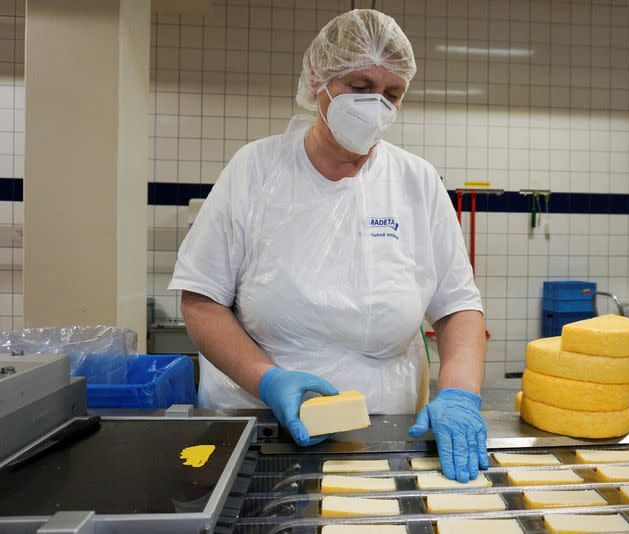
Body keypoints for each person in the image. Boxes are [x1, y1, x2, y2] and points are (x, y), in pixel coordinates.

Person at [169, 9, 487, 482]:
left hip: (384, 436)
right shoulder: (255, 171)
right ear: (318, 79)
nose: (376, 105)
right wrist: (268, 379)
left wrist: (459, 392)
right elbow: (200, 300)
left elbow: (459, 306)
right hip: (261, 430)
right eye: (360, 87)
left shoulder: (415, 181)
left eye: (392, 94)